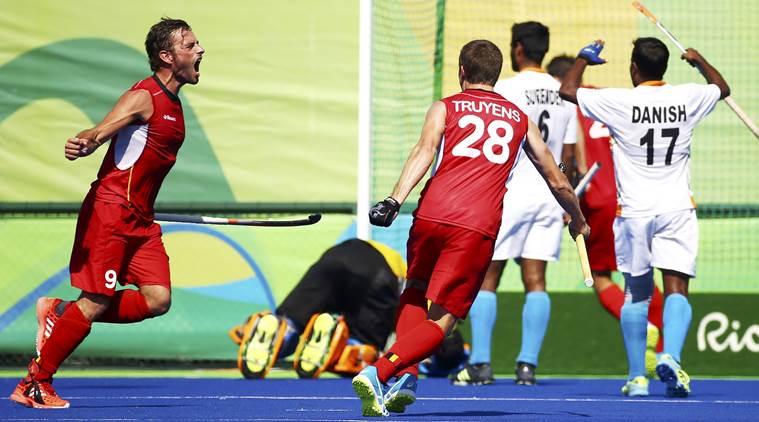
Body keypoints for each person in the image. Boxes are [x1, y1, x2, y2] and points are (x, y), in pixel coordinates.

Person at [352, 39, 589, 417]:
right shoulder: (517, 118)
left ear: (462, 71)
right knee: (445, 318)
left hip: (431, 214)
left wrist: (395, 199)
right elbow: (557, 179)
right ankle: (380, 372)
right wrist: (577, 219)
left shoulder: (444, 106)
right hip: (475, 225)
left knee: (415, 288)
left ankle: (406, 376)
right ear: (495, 75)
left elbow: (424, 150)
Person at [9, 18, 205, 409]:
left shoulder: (175, 103)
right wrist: (88, 141)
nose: (200, 50)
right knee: (97, 300)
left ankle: (62, 313)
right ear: (167, 57)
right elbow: (104, 129)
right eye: (190, 45)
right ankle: (34, 382)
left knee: (157, 300)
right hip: (111, 212)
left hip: (142, 221)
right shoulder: (143, 96)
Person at [559, 38, 729, 397]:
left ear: (633, 68)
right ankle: (672, 356)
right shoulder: (687, 96)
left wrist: (582, 59)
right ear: (664, 67)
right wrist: (699, 60)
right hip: (677, 208)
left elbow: (568, 90)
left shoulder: (621, 101)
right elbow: (721, 87)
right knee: (677, 288)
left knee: (636, 293)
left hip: (634, 212)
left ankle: (637, 378)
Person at [451, 22, 578, 387]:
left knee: (487, 278)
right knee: (536, 280)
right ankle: (527, 366)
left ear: (518, 49)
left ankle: (481, 364)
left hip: (508, 192)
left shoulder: (503, 89)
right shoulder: (563, 91)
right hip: (549, 196)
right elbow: (566, 156)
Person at [546, 55, 664, 377]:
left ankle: (645, 326)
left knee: (600, 277)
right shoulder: (607, 98)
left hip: (596, 198)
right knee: (642, 276)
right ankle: (666, 349)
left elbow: (573, 160)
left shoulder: (568, 104)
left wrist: (569, 205)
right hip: (631, 196)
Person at [229, 238, 467, 380]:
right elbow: (431, 338)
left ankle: (279, 326)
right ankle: (340, 345)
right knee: (362, 352)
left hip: (337, 254)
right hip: (379, 272)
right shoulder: (427, 299)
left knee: (292, 321)